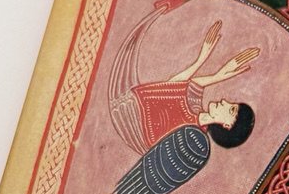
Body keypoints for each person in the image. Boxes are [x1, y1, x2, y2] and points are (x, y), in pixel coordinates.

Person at [109, 18, 258, 154]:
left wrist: (205, 64)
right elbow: (190, 85)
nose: (224, 101)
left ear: (227, 125)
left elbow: (170, 87)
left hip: (127, 115)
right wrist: (212, 70)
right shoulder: (195, 111)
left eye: (231, 109)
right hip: (126, 106)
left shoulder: (191, 135)